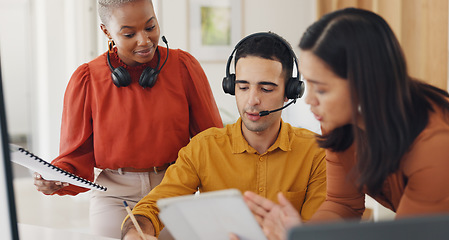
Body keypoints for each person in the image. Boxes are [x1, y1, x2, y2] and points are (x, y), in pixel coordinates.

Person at [242, 7, 449, 240]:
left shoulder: (438, 143)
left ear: (366, 85)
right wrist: (300, 233)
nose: (309, 99)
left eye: (321, 89)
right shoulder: (339, 120)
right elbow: (342, 205)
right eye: (308, 84)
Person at [33, 0, 223, 238]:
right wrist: (56, 178)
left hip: (172, 188)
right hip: (114, 195)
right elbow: (75, 155)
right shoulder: (88, 79)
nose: (144, 40)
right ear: (106, 31)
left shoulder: (183, 67)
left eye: (150, 27)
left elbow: (210, 141)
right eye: (129, 33)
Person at [120, 32, 327, 240]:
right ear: (231, 86)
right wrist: (134, 233)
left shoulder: (315, 153)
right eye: (243, 87)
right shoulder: (204, 148)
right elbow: (152, 208)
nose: (252, 100)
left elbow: (318, 232)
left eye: (266, 88)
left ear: (290, 92)